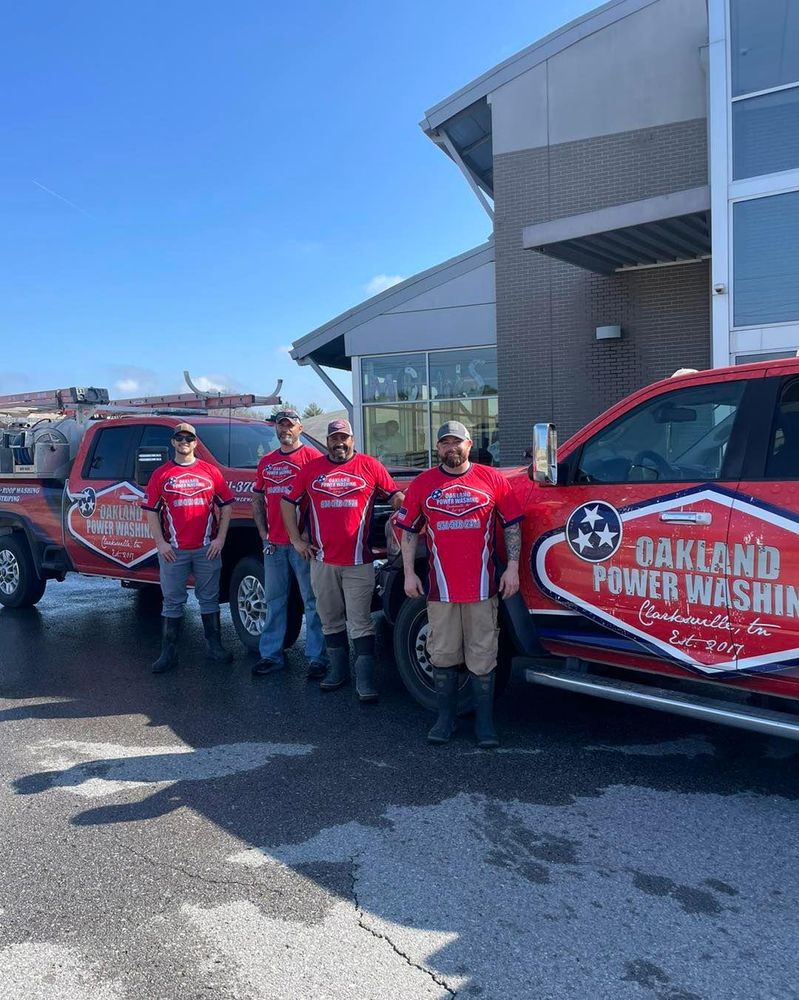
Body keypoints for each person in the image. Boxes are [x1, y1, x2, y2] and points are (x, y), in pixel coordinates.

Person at [397, 420, 523, 748]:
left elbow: (511, 526)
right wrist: (409, 573)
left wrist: (512, 568)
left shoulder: (492, 479)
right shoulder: (423, 484)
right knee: (442, 654)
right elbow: (408, 529)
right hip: (441, 590)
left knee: (483, 656)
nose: (450, 448)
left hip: (483, 588)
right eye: (444, 443)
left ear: (469, 445)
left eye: (456, 442)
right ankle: (445, 719)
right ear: (437, 448)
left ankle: (484, 724)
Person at [281, 418, 404, 702]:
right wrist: (296, 540)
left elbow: (394, 494)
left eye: (344, 437)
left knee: (361, 622)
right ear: (328, 440)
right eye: (334, 438)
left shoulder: (370, 466)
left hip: (359, 562)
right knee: (330, 620)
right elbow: (288, 503)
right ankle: (338, 673)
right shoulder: (311, 470)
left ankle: (365, 681)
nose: (339, 443)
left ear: (352, 440)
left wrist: (404, 502)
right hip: (323, 562)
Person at [142, 422, 235, 673]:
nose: (184, 442)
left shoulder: (210, 471)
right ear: (173, 442)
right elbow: (151, 511)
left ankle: (215, 647)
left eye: (189, 438)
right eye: (179, 438)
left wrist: (221, 539)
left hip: (207, 548)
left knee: (209, 599)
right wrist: (160, 543)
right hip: (174, 551)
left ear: (196, 442)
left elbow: (226, 505)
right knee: (172, 602)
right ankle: (168, 653)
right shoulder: (161, 474)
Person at [251, 409, 327, 679]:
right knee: (274, 601)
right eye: (280, 425)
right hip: (275, 545)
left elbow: (322, 501)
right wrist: (263, 532)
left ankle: (318, 658)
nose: (284, 429)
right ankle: (271, 655)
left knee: (312, 601)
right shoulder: (266, 463)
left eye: (289, 425)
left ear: (300, 428)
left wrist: (310, 536)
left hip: (303, 546)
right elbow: (258, 499)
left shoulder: (313, 458)